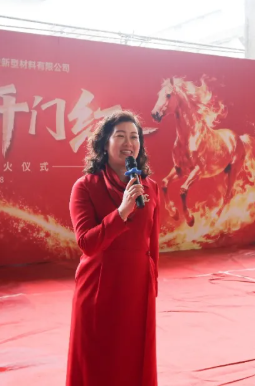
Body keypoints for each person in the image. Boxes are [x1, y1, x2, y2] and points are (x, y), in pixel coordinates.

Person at [66, 110, 161, 386]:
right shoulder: (84, 187)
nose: (128, 143)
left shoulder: (150, 187)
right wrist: (121, 212)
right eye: (120, 136)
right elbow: (87, 243)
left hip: (138, 288)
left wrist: (152, 281)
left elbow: (152, 241)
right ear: (104, 143)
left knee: (135, 359)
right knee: (97, 361)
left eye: (134, 137)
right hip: (99, 287)